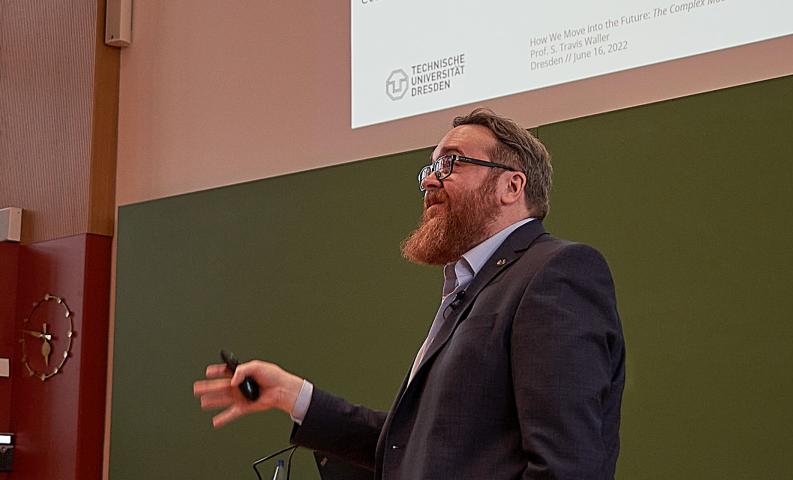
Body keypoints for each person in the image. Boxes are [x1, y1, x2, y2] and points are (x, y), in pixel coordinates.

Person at [192, 108, 626, 479]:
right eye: (430, 168)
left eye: (451, 163)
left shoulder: (554, 273)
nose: (430, 182)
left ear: (512, 186)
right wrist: (294, 395)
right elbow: (411, 446)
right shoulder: (469, 287)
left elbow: (567, 466)